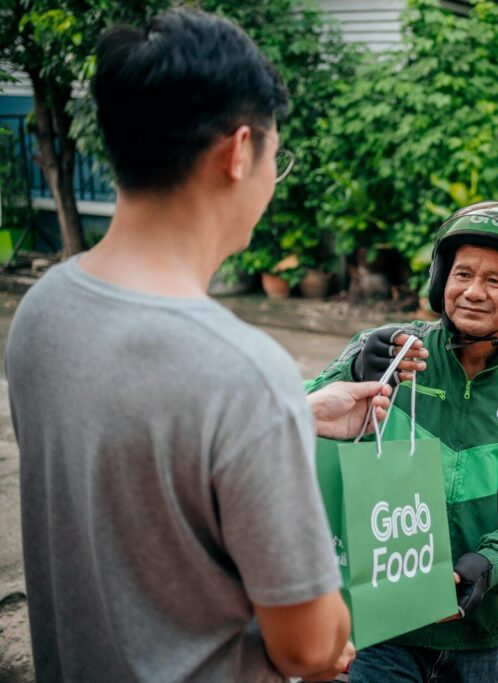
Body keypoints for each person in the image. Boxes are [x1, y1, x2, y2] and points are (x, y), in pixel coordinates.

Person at [5, 9, 391, 682]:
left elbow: (134, 450)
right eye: (277, 155)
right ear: (240, 151)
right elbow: (309, 645)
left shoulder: (42, 312)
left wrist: (297, 414)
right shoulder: (244, 374)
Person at [306, 201, 498, 682]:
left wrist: (492, 562)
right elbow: (293, 419)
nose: (474, 291)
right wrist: (350, 371)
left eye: (495, 281)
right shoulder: (390, 352)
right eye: (462, 274)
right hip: (383, 627)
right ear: (440, 280)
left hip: (477, 631)